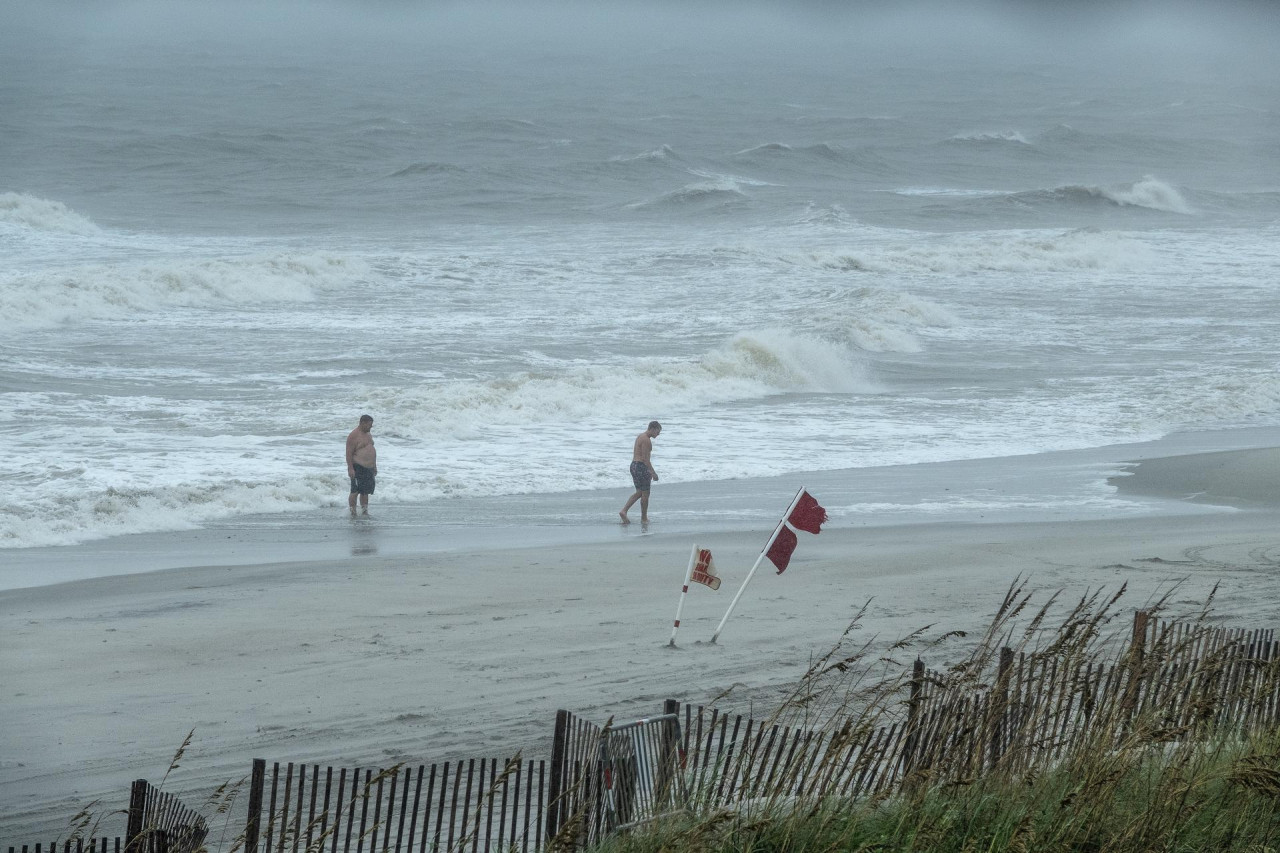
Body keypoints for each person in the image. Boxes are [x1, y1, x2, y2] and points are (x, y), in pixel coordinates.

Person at [619, 421, 661, 525]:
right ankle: (644, 518)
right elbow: (646, 459)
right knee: (645, 494)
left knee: (639, 492)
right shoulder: (646, 440)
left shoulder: (640, 436)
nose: (658, 434)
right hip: (641, 467)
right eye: (658, 431)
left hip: (634, 465)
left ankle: (624, 511)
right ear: (653, 428)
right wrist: (653, 473)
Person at [346, 414, 377, 515]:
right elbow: (348, 453)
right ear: (362, 423)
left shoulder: (368, 434)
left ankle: (364, 512)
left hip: (369, 468)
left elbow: (371, 450)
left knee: (365, 492)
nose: (371, 427)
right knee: (355, 491)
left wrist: (374, 466)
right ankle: (353, 512)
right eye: (369, 425)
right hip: (358, 467)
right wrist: (350, 468)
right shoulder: (353, 436)